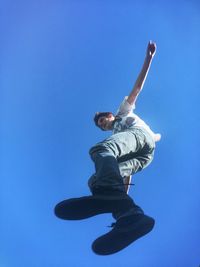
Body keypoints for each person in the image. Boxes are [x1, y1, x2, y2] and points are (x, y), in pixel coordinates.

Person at [55, 41, 161, 255]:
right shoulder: (116, 138)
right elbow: (124, 173)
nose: (103, 124)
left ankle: (117, 201)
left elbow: (137, 88)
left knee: (100, 151)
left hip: (140, 138)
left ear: (110, 115)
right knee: (96, 180)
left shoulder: (122, 112)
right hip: (144, 157)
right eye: (101, 125)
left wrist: (149, 58)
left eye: (103, 120)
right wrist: (123, 196)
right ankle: (130, 217)